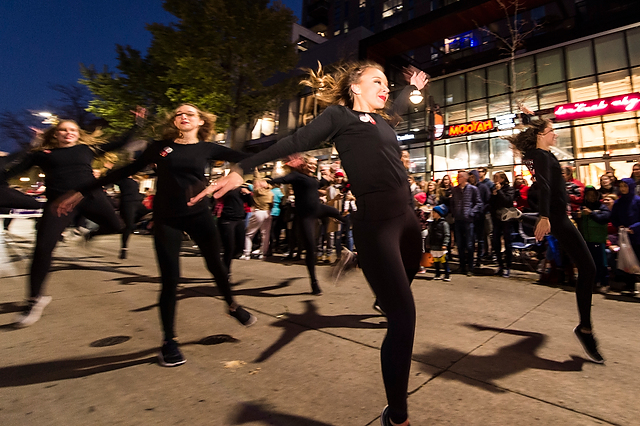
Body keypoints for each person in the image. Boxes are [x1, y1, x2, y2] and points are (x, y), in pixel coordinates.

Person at [188, 61, 428, 426]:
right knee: (404, 319)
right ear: (354, 87)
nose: (385, 87)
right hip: (377, 225)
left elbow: (397, 106)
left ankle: (367, 270)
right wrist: (242, 168)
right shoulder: (339, 117)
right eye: (376, 81)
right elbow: (294, 141)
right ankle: (397, 417)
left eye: (386, 81)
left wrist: (413, 92)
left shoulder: (382, 122)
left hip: (409, 220)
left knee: (411, 271)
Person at [57, 104, 257, 367]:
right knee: (170, 280)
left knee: (217, 267)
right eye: (178, 114)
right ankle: (169, 341)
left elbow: (249, 158)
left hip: (199, 215)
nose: (183, 116)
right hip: (167, 218)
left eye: (190, 114)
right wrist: (83, 190)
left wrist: (239, 171)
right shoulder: (159, 147)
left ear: (201, 122)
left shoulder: (208, 148)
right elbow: (122, 172)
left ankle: (231, 305)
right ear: (174, 121)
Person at [3, 119, 141, 327]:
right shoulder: (41, 155)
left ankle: (87, 233)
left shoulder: (86, 150)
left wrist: (136, 124)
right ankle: (34, 300)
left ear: (78, 134)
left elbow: (120, 142)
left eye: (73, 130)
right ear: (55, 135)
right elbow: (12, 171)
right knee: (42, 249)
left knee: (117, 226)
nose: (68, 133)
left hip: (91, 198)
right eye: (63, 130)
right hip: (60, 204)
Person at [507, 118, 604, 364]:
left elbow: (549, 179)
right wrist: (544, 216)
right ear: (541, 135)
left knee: (588, 268)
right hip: (557, 217)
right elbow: (546, 186)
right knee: (588, 268)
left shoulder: (542, 153)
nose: (556, 135)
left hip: (561, 216)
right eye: (552, 132)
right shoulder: (539, 155)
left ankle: (585, 328)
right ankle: (585, 329)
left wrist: (531, 118)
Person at [267, 155, 345, 295]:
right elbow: (284, 179)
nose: (313, 166)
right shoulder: (296, 176)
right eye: (311, 164)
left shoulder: (312, 179)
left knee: (338, 214)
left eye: (315, 164)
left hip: (319, 208)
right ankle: (314, 282)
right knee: (310, 249)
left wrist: (327, 179)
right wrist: (269, 181)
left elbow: (317, 185)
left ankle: (365, 232)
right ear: (304, 164)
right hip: (306, 216)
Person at [574, 186, 611, 291]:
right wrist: (577, 215)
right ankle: (593, 282)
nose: (591, 197)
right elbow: (574, 216)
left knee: (601, 262)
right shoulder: (582, 207)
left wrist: (591, 213)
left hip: (598, 239)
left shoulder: (602, 207)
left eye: (593, 195)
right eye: (589, 195)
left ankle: (604, 283)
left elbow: (604, 219)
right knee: (589, 263)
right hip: (586, 239)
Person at [610, 178, 640, 295]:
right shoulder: (619, 202)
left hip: (637, 235)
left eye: (625, 186)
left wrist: (634, 228)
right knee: (628, 260)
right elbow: (614, 217)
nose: (623, 189)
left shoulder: (637, 201)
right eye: (621, 186)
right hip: (624, 236)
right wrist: (619, 226)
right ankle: (630, 284)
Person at [450, 170, 483, 276]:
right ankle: (462, 266)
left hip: (468, 220)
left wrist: (471, 212)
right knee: (459, 244)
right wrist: (454, 212)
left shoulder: (473, 189)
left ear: (465, 178)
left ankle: (470, 267)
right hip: (458, 219)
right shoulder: (455, 190)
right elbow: (453, 203)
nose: (458, 179)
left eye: (460, 177)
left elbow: (478, 203)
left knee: (469, 244)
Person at [489, 171, 515, 277]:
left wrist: (499, 191)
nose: (495, 180)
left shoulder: (510, 189)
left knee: (507, 242)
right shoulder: (494, 189)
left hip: (506, 219)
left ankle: (508, 266)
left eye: (497, 177)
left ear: (503, 179)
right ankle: (500, 265)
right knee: (495, 241)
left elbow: (507, 201)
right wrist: (494, 195)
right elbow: (491, 203)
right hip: (496, 219)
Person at [425, 204, 451, 281]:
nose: (433, 214)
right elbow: (429, 234)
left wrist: (445, 244)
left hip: (440, 245)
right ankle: (437, 273)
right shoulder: (432, 224)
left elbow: (447, 234)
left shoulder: (444, 224)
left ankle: (447, 273)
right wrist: (428, 242)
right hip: (434, 244)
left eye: (434, 213)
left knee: (443, 260)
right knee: (435, 260)